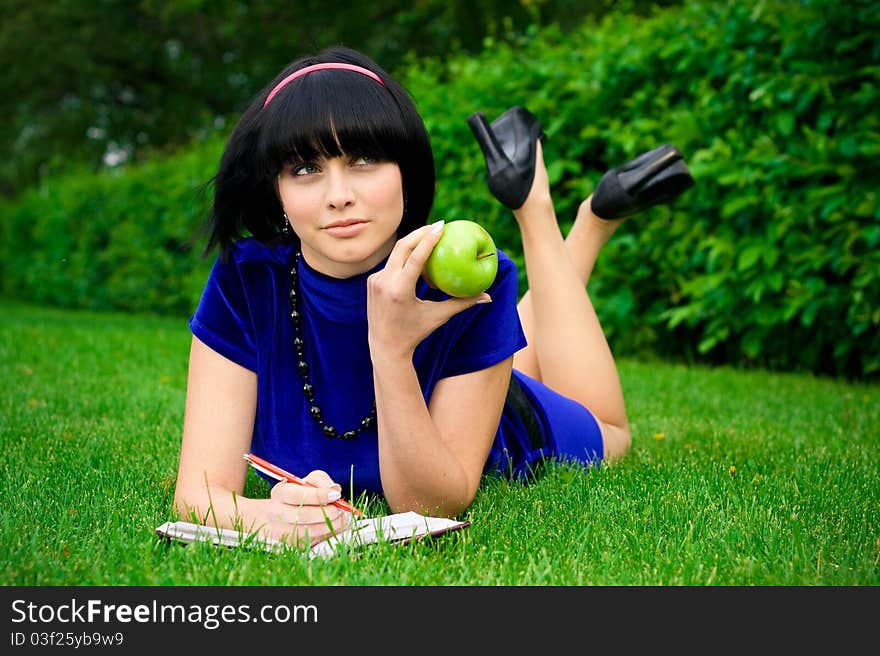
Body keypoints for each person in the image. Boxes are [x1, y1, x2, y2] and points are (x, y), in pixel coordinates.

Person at [173, 45, 694, 549]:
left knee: (613, 432)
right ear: (277, 192)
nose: (338, 194)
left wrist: (393, 349)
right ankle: (562, 212)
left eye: (364, 160)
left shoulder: (470, 279)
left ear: (407, 173)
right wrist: (270, 516)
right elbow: (198, 494)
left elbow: (430, 505)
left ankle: (569, 215)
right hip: (472, 374)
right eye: (306, 169)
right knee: (514, 339)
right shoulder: (244, 279)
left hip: (504, 420)